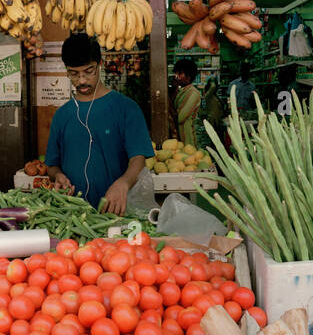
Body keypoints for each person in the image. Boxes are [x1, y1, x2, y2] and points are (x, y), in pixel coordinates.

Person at [45, 34, 155, 214]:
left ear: (100, 65)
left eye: (88, 71)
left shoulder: (126, 108)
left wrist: (124, 183)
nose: (81, 80)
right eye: (74, 73)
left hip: (116, 214)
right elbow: (52, 164)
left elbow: (138, 160)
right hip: (71, 216)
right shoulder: (62, 115)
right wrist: (58, 175)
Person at [172, 58, 202, 148]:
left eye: (180, 73)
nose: (176, 76)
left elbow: (180, 118)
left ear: (188, 77)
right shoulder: (180, 91)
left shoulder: (193, 93)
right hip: (178, 140)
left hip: (188, 140)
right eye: (176, 73)